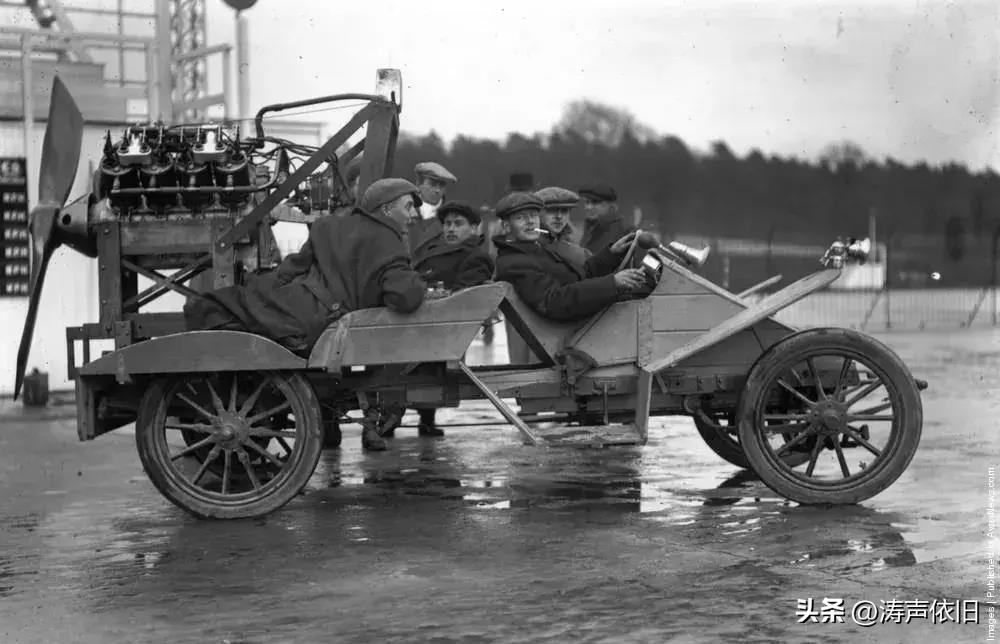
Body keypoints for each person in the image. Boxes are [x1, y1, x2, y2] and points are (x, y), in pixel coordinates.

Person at [183, 178, 429, 451]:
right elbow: (405, 297)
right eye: (408, 207)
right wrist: (420, 285)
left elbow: (290, 270)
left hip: (300, 305)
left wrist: (261, 292)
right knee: (237, 307)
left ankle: (207, 360)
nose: (413, 215)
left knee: (224, 304)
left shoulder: (329, 226)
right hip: (316, 323)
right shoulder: (388, 241)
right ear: (385, 210)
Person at [385, 201, 494, 438]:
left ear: (475, 228)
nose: (450, 229)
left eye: (458, 224)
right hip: (421, 320)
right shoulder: (432, 247)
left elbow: (462, 298)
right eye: (447, 224)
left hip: (441, 328)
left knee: (399, 353)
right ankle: (405, 416)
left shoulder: (476, 257)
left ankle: (395, 415)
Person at [492, 192, 648, 322]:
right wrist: (612, 283)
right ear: (506, 227)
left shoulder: (533, 250)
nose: (530, 222)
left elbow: (579, 276)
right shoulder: (516, 262)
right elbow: (555, 303)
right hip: (572, 332)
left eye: (533, 216)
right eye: (521, 218)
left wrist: (612, 254)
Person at [534, 186, 590, 269]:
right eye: (552, 210)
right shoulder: (528, 248)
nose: (559, 216)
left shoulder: (579, 252)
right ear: (538, 213)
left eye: (564, 211)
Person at [409, 161, 457, 254]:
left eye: (441, 185)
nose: (437, 190)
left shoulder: (451, 219)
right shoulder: (404, 213)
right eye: (432, 184)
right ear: (419, 184)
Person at [578, 183, 634, 256]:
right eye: (587, 202)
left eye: (595, 202)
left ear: (611, 206)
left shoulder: (626, 231)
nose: (588, 207)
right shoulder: (590, 228)